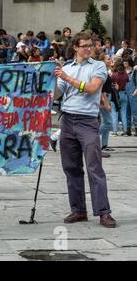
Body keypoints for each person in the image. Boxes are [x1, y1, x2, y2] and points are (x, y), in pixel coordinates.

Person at [55, 31, 117, 228]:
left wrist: (66, 77)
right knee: (71, 167)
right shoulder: (66, 67)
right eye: (85, 45)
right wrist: (51, 79)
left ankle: (103, 212)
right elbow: (57, 94)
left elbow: (92, 88)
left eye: (91, 45)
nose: (89, 48)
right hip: (67, 119)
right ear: (75, 47)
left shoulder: (98, 66)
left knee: (94, 167)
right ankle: (78, 209)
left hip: (88, 121)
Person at [110, 59, 129, 136]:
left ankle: (115, 131)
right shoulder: (126, 74)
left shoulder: (114, 75)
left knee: (114, 113)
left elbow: (111, 85)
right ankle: (125, 132)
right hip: (124, 94)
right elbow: (127, 84)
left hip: (115, 95)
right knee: (124, 113)